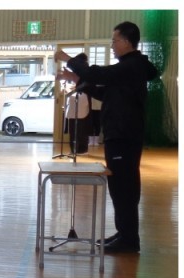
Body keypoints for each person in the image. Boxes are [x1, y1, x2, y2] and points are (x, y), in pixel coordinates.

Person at [55, 21, 158, 253]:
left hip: (123, 135)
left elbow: (97, 74)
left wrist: (69, 58)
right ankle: (125, 234)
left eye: (114, 41)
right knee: (119, 187)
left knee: (124, 188)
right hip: (118, 134)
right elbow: (105, 92)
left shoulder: (132, 66)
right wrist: (77, 81)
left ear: (126, 42)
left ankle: (129, 240)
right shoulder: (129, 68)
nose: (112, 46)